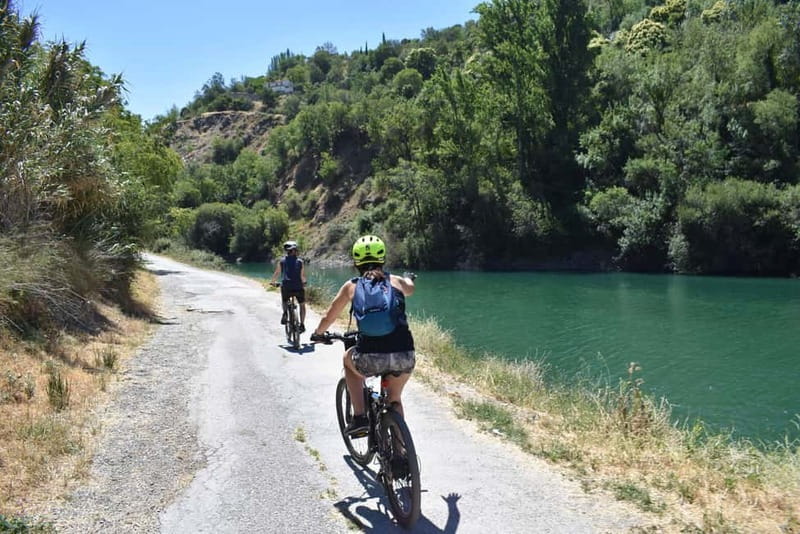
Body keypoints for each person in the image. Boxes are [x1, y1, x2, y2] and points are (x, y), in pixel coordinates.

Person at [311, 235, 416, 436]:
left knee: (347, 359)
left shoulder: (351, 286)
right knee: (394, 400)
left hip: (370, 357)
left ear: (355, 262)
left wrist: (318, 334)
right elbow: (410, 288)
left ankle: (359, 417)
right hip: (405, 355)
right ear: (383, 259)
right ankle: (401, 457)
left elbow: (328, 316)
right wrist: (409, 276)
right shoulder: (395, 281)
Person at [269, 240, 307, 332]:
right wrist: (304, 283)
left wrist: (273, 282)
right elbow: (302, 276)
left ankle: (285, 313)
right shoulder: (300, 262)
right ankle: (302, 324)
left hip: (286, 286)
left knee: (285, 300)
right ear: (295, 251)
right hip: (298, 287)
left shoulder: (282, 261)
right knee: (302, 305)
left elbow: (277, 273)